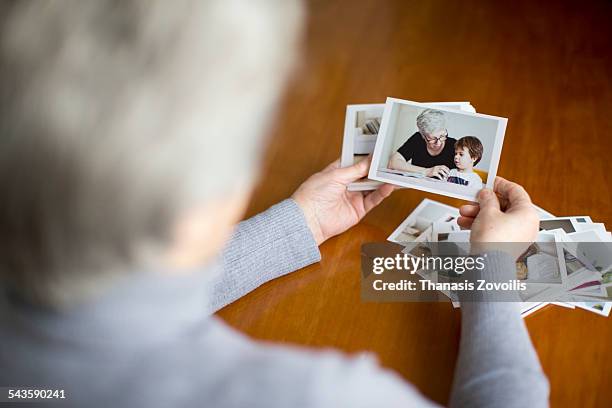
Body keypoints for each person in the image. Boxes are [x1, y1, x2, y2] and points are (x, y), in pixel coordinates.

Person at [0, 1, 548, 407]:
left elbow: (112, 312)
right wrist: (489, 274)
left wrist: (299, 224)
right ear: (216, 189)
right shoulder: (320, 396)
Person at [388, 109, 457, 179]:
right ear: (423, 136)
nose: (438, 143)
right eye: (433, 139)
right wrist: (426, 171)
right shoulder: (417, 139)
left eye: (442, 136)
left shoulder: (455, 146)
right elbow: (393, 163)